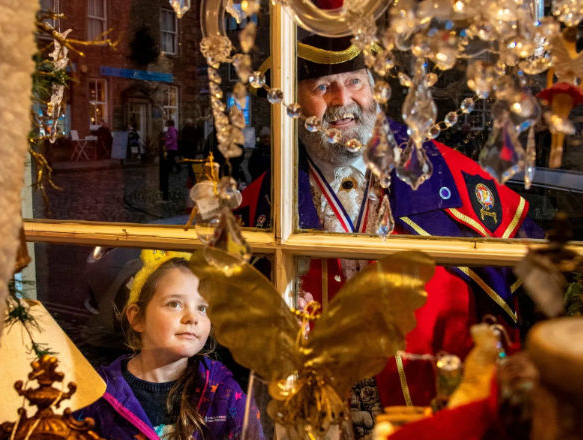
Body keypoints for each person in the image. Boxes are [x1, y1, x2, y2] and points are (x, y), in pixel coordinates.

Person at [237, 34, 543, 437]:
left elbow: (536, 278)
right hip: (318, 416)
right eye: (322, 87)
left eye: (355, 82)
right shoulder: (261, 202)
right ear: (294, 99)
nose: (341, 101)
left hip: (430, 413)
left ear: (375, 89)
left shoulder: (445, 176)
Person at [78, 250, 264, 440]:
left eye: (202, 308)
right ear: (138, 317)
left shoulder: (223, 393)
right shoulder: (98, 393)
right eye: (174, 304)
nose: (192, 318)